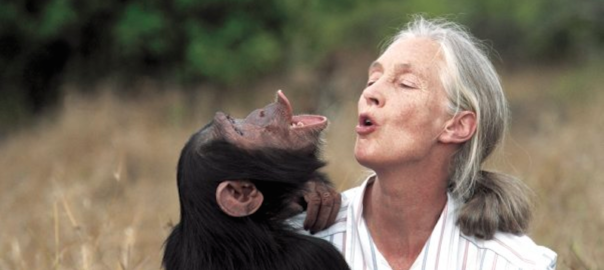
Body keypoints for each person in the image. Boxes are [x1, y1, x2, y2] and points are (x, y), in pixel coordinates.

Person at [294, 15, 557, 269]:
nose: (370, 92)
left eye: (406, 84)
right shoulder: (299, 239)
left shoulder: (510, 263)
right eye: (372, 79)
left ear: (456, 126)